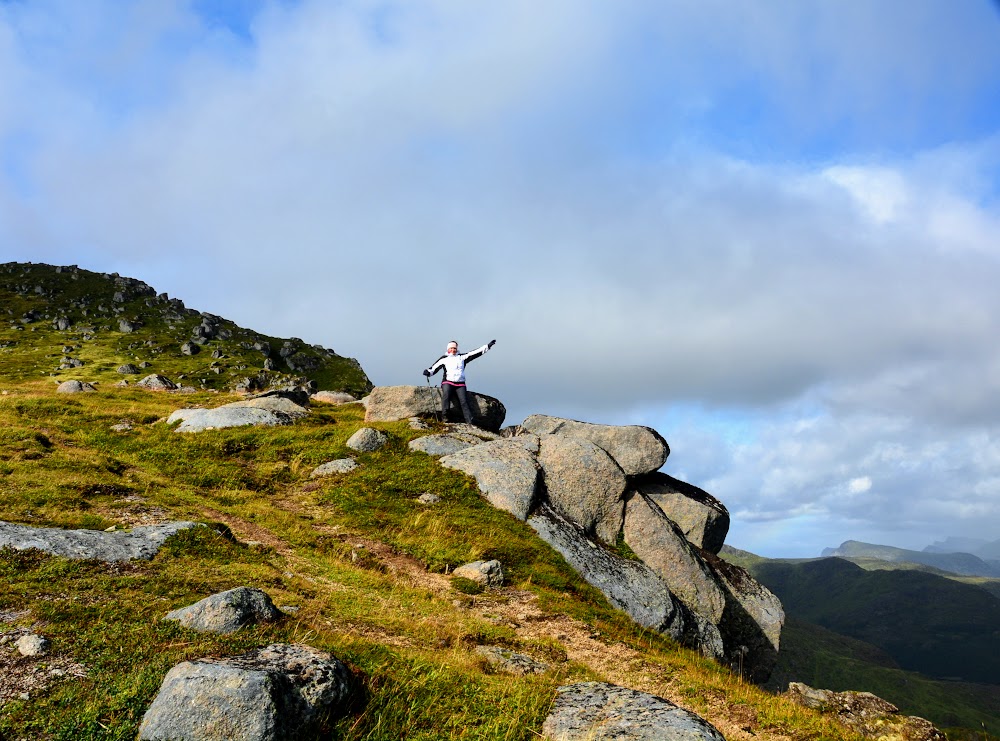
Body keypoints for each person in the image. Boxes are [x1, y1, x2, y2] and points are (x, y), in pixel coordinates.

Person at [423, 339, 496, 425]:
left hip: (460, 383)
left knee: (464, 401)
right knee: (446, 396)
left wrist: (487, 346)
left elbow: (475, 353)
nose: (453, 350)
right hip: (447, 382)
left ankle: (469, 420)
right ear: (448, 349)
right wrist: (428, 372)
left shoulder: (462, 357)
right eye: (451, 348)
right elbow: (434, 368)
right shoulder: (444, 359)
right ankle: (445, 417)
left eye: (454, 348)